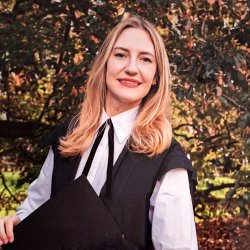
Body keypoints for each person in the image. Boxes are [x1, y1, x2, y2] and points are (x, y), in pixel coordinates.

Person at [0, 15, 198, 249]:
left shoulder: (166, 159)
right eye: (121, 55)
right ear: (105, 63)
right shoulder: (68, 135)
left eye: (145, 59)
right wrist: (15, 222)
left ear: (156, 77)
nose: (131, 68)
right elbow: (36, 208)